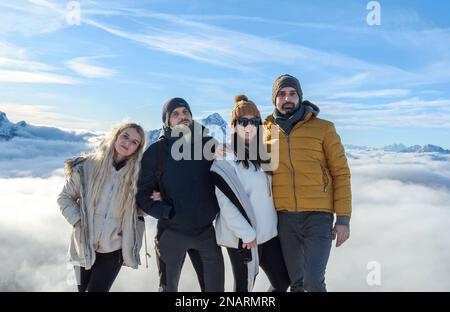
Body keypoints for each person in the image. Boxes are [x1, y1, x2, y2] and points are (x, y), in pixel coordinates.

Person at [263, 74, 352, 292]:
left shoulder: (324, 128)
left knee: (313, 281)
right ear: (274, 99)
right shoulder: (265, 132)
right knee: (297, 282)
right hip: (284, 218)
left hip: (318, 216)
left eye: (292, 93)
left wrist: (343, 219)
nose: (287, 99)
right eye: (282, 94)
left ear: (300, 97)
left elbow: (341, 173)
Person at [136, 97, 224, 292]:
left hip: (206, 232)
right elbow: (143, 194)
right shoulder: (156, 152)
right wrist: (167, 212)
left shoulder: (209, 144)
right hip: (171, 233)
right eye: (175, 114)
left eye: (185, 112)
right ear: (167, 121)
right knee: (168, 289)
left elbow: (225, 181)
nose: (182, 117)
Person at [211, 95, 290, 292]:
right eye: (243, 121)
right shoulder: (226, 158)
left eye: (254, 121)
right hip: (243, 238)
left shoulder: (261, 156)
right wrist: (246, 234)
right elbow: (225, 203)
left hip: (268, 234)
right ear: (234, 126)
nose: (249, 126)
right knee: (244, 289)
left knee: (282, 282)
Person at [57, 122, 146, 292]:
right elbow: (65, 198)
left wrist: (131, 247)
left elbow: (140, 215)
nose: (127, 143)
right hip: (83, 243)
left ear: (137, 149)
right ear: (116, 135)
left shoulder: (137, 177)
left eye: (135, 142)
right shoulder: (87, 166)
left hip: (113, 250)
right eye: (125, 136)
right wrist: (78, 222)